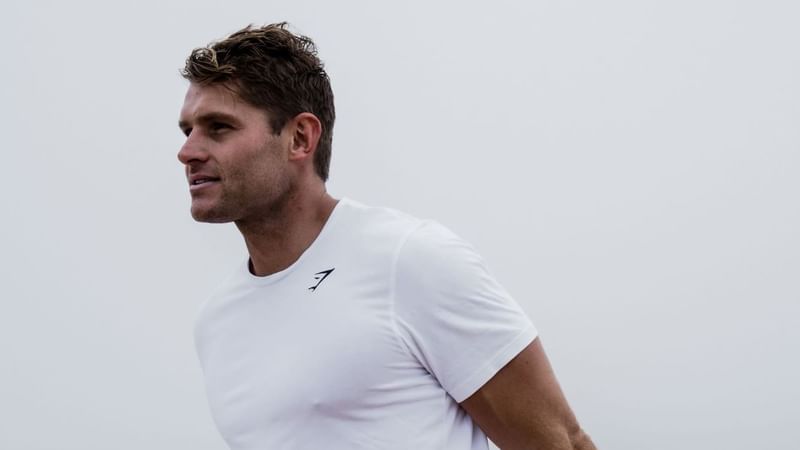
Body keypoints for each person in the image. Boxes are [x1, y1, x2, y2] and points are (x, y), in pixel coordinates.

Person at [178, 22, 597, 450]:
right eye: (187, 130)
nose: (187, 151)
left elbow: (564, 443)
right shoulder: (215, 325)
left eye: (219, 127)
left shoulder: (409, 260)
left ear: (300, 138)